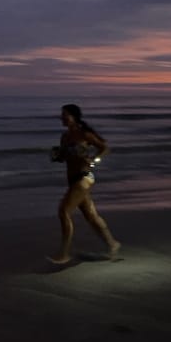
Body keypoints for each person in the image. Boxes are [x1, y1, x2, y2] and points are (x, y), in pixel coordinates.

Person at [48, 103, 121, 265]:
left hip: (84, 178)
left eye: (65, 114)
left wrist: (94, 161)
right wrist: (57, 156)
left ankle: (64, 254)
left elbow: (104, 148)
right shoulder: (65, 137)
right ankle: (113, 244)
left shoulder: (84, 134)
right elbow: (65, 157)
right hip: (73, 179)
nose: (61, 117)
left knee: (63, 211)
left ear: (74, 117)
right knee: (91, 216)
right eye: (61, 114)